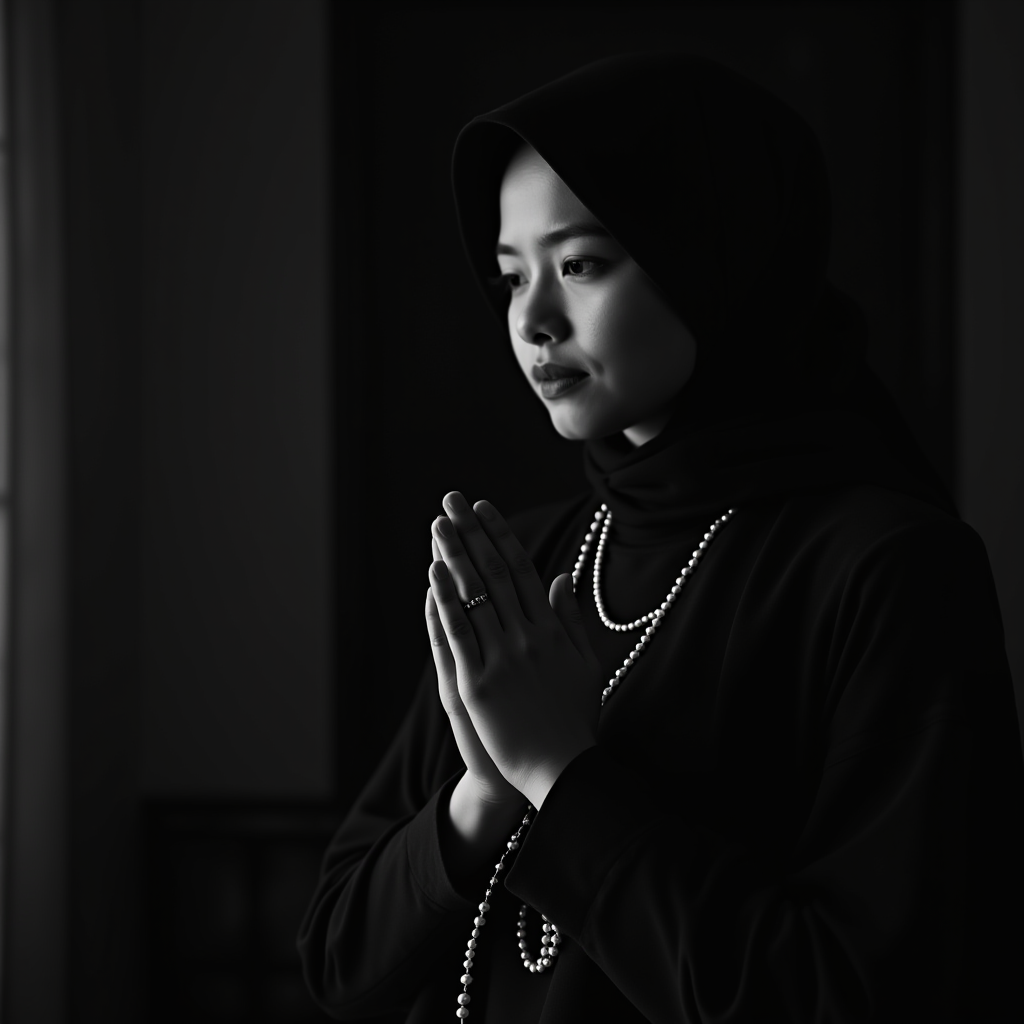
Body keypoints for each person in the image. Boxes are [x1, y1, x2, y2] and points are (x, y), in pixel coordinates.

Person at [298, 53, 1024, 1023]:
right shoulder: (520, 565)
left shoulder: (887, 571)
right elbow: (338, 957)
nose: (533, 321)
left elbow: (857, 996)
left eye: (582, 263)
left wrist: (561, 773)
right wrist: (482, 798)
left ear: (716, 257)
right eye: (512, 276)